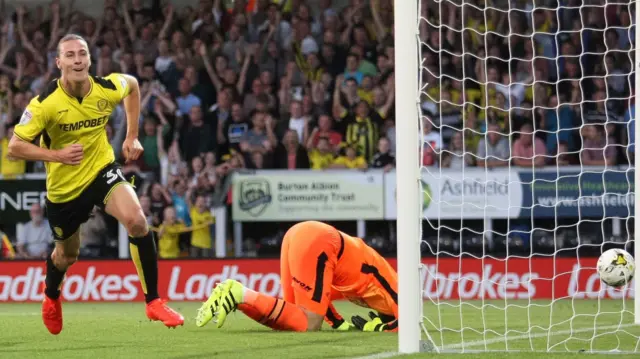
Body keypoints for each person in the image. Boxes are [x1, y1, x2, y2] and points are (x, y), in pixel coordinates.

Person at [7, 34, 184, 335]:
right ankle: (51, 295)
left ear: (89, 59)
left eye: (82, 54)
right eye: (70, 55)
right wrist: (56, 155)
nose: (77, 60)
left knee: (138, 221)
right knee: (67, 256)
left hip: (101, 169)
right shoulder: (44, 104)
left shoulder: (105, 87)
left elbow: (133, 86)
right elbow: (14, 147)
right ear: (58, 62)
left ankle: (153, 301)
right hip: (64, 189)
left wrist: (132, 134)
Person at [196, 221, 398, 332]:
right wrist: (379, 328)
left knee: (290, 321)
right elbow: (406, 323)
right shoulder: (394, 287)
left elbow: (323, 294)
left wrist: (339, 324)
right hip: (320, 241)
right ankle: (240, 293)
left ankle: (237, 298)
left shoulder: (363, 288)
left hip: (302, 235)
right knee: (310, 324)